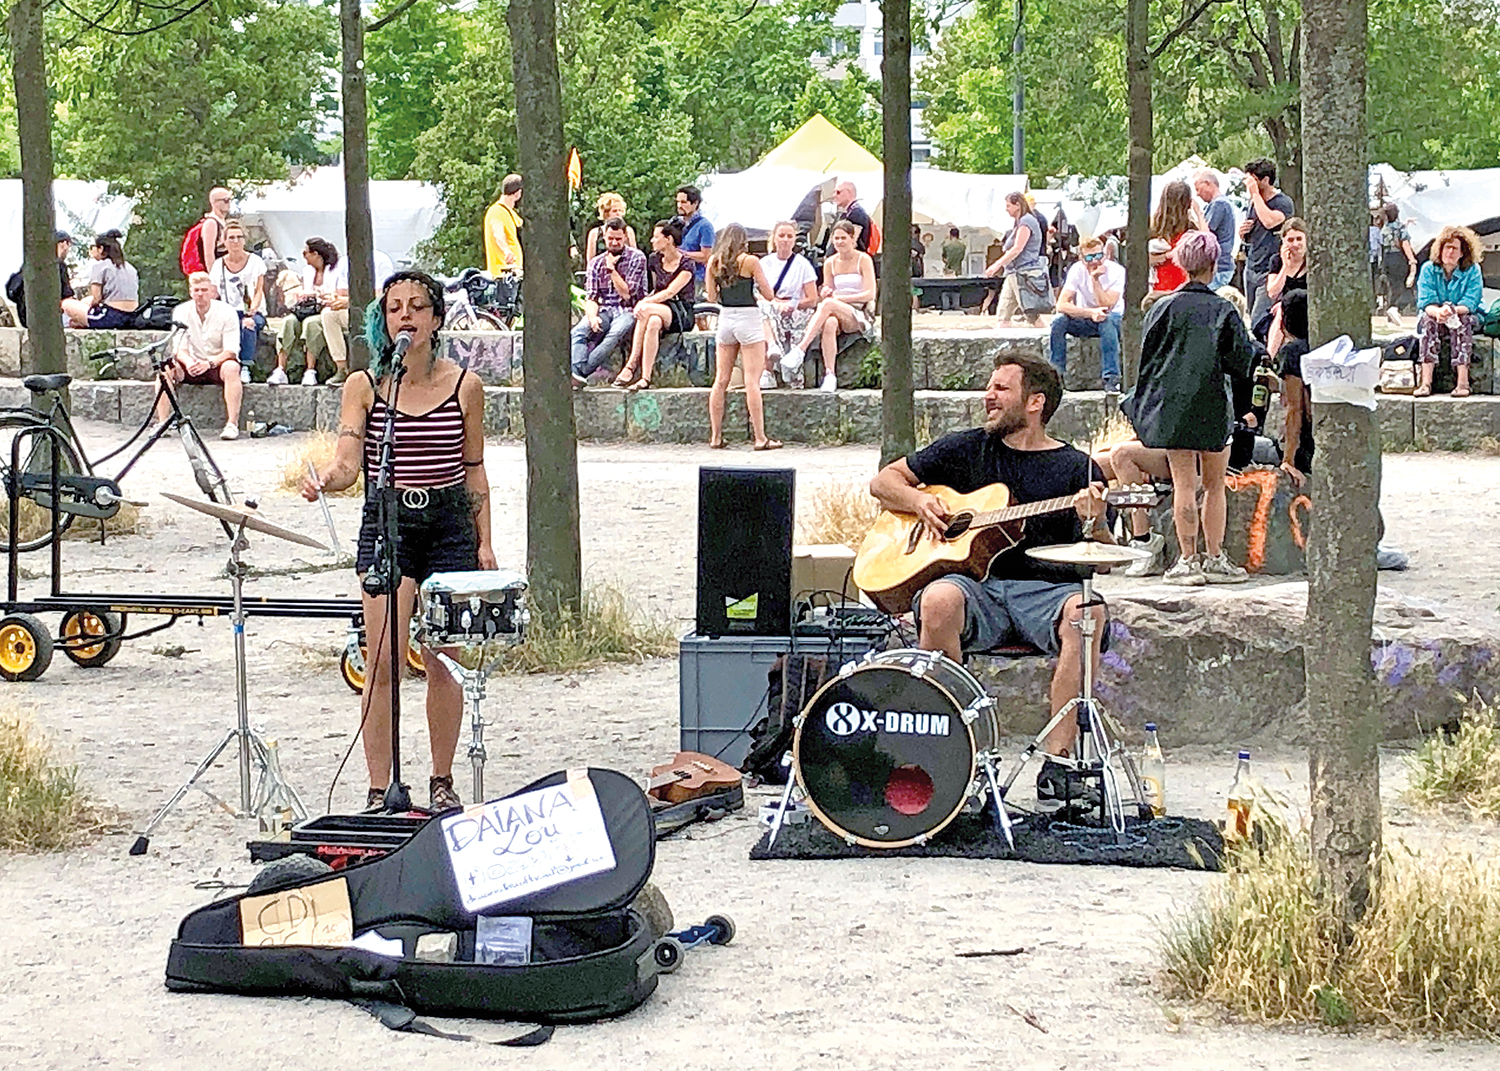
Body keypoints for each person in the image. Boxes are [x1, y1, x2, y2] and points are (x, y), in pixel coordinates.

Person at [868, 352, 1114, 809]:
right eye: (990, 386)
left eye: (1002, 388)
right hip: (976, 589)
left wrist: (1094, 520)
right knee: (938, 600)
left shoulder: (1077, 470)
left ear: (1035, 402)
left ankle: (1058, 765)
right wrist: (918, 503)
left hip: (1047, 593)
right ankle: (954, 753)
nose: (988, 395)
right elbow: (883, 483)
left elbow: (1101, 559)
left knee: (1088, 613)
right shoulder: (966, 448)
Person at [301, 270, 493, 813]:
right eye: (393, 308)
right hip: (388, 519)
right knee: (382, 658)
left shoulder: (465, 386)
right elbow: (348, 460)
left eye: (416, 306)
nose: (404, 315)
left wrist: (485, 541)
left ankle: (441, 779)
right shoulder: (366, 386)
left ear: (435, 318)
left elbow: (474, 470)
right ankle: (379, 786)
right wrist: (325, 479)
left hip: (448, 521)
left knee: (443, 658)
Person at [1126, 231, 1254, 586]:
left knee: (1184, 483)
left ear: (1181, 264)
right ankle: (1215, 557)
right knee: (1214, 485)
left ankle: (1186, 560)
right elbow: (1241, 361)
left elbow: (1147, 361)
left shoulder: (1162, 307)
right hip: (1213, 404)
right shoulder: (1224, 309)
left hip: (1172, 406)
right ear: (1213, 265)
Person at [705, 224, 780, 451]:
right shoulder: (750, 262)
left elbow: (711, 296)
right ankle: (760, 438)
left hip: (726, 318)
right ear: (743, 241)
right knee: (752, 381)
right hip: (748, 317)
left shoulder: (714, 262)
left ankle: (716, 436)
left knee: (721, 380)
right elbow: (769, 294)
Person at [778, 219, 876, 392]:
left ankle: (800, 349)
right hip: (836, 310)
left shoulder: (863, 260)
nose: (839, 242)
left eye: (843, 238)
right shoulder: (830, 262)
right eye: (836, 238)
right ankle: (830, 374)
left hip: (859, 311)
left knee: (828, 304)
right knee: (829, 323)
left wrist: (839, 299)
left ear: (852, 239)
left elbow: (870, 293)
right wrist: (826, 293)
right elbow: (829, 290)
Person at [614, 219, 694, 391]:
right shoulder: (654, 260)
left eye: (656, 237)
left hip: (680, 310)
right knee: (653, 322)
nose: (652, 240)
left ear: (669, 239)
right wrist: (648, 301)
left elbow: (670, 292)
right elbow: (656, 288)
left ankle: (631, 364)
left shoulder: (686, 264)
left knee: (646, 309)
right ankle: (645, 378)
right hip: (659, 308)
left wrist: (644, 302)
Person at [161, 272, 243, 440]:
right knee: (164, 369)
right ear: (190, 291)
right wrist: (189, 362)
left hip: (217, 363)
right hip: (190, 364)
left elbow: (231, 350)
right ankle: (162, 423)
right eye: (196, 290)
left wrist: (209, 363)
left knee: (232, 367)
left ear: (212, 291)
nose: (200, 294)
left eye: (204, 290)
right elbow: (178, 347)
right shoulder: (181, 311)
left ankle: (232, 424)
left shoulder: (227, 312)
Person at [569, 218, 647, 385]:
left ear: (625, 237)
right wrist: (592, 316)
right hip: (604, 309)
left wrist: (612, 270)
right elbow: (592, 297)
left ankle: (580, 373)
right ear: (604, 237)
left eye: (618, 239)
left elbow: (627, 294)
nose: (614, 242)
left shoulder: (637, 258)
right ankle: (577, 372)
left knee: (614, 334)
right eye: (610, 238)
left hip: (628, 309)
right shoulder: (596, 263)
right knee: (579, 331)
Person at [1414, 224, 1485, 398]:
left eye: (1455, 249)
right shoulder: (1428, 269)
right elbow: (1425, 302)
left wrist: (1453, 310)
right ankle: (1425, 383)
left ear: (1462, 253)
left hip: (1465, 314)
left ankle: (1463, 383)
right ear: (1440, 249)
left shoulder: (1472, 270)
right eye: (1447, 247)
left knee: (1462, 323)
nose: (1450, 252)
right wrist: (1438, 312)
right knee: (1428, 322)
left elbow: (1471, 302)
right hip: (1436, 315)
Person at [1049, 235, 1124, 392]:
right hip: (1087, 317)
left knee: (1106, 321)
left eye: (1098, 256)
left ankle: (1111, 377)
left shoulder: (1117, 271)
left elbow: (1106, 306)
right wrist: (1089, 313)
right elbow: (1061, 305)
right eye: (1089, 257)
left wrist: (1095, 279)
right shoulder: (1076, 270)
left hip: (1113, 318)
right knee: (1058, 321)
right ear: (1082, 259)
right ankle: (1056, 374)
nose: (1095, 261)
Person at [272, 237, 350, 386]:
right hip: (308, 308)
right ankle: (280, 368)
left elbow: (337, 294)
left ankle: (310, 370)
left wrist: (317, 295)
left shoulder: (335, 269)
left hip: (324, 308)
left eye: (305, 253)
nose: (303, 256)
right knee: (288, 322)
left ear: (315, 254)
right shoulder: (307, 271)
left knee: (311, 325)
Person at [757, 220, 819, 388]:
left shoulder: (802, 265)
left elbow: (813, 298)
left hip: (795, 309)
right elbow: (757, 293)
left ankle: (786, 367)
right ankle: (768, 363)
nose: (785, 240)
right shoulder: (764, 264)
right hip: (771, 306)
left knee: (768, 313)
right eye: (781, 235)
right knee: (763, 310)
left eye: (789, 236)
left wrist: (793, 304)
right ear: (774, 238)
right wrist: (776, 304)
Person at [207, 221, 267, 383]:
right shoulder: (219, 265)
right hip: (228, 310)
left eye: (239, 237)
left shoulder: (255, 262)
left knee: (247, 325)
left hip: (252, 310)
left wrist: (252, 310)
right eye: (231, 238)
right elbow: (213, 291)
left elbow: (259, 290)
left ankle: (245, 366)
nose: (236, 241)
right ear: (224, 241)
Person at [1238, 159, 1294, 330]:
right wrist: (1243, 234)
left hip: (1269, 269)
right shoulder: (1253, 203)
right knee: (1250, 313)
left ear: (1265, 180)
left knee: (1259, 318)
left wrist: (1255, 194)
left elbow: (1270, 221)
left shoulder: (1283, 202)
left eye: (1253, 180)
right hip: (1252, 264)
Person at [982, 191, 1045, 327]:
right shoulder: (1021, 222)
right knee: (1003, 314)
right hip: (1014, 273)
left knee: (1032, 315)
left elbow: (1017, 248)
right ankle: (1002, 339)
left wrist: (997, 264)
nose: (1006, 209)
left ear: (1018, 205)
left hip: (1024, 272)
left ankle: (1048, 338)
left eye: (1008, 205)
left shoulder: (1026, 221)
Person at [62, 230, 138, 329]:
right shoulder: (130, 268)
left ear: (101, 249)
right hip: (132, 316)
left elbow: (97, 299)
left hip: (112, 316)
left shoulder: (100, 266)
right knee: (86, 301)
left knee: (66, 303)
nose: (91, 250)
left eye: (93, 247)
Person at [1147, 180, 1207, 297]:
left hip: (1160, 286)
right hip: (1184, 286)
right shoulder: (1189, 227)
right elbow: (1207, 242)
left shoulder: (1154, 225)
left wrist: (1164, 256)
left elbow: (1142, 258)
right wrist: (1199, 213)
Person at [6, 230, 73, 329]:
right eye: (69, 245)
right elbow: (66, 295)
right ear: (63, 243)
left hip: (25, 317)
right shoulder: (58, 266)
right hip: (47, 319)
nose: (68, 250)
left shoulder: (30, 264)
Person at [1258, 217, 1308, 347]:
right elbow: (1272, 293)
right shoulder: (1277, 261)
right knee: (1280, 312)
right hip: (1286, 307)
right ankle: (1271, 358)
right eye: (1290, 240)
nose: (1295, 244)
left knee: (1281, 311)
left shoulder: (1312, 260)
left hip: (1305, 304)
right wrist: (1285, 267)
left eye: (1299, 239)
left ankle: (1271, 356)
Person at [1192, 170, 1237, 291]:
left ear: (1207, 183)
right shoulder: (1219, 204)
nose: (1197, 194)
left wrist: (1197, 212)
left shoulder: (1219, 205)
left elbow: (1206, 235)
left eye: (1198, 189)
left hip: (1219, 267)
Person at [1378, 202, 1418, 323]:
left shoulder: (1384, 229)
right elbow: (1404, 243)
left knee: (1392, 284)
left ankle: (1391, 312)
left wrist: (1406, 223)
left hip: (1387, 258)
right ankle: (1394, 307)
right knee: (1401, 285)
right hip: (1398, 258)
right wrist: (1412, 260)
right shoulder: (1400, 228)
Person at [181, 187, 231, 277]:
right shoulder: (211, 223)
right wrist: (214, 278)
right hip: (211, 276)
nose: (228, 203)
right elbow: (209, 254)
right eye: (225, 200)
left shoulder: (222, 222)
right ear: (214, 203)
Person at [674, 185, 715, 286]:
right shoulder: (675, 223)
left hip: (696, 279)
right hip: (676, 277)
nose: (679, 206)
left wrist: (681, 253)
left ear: (695, 203)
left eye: (683, 202)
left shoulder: (704, 226)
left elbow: (706, 256)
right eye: (678, 202)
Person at [483, 174, 524, 275]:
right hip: (502, 275)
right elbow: (497, 233)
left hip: (514, 273)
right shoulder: (496, 211)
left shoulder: (511, 213)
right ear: (517, 194)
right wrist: (507, 251)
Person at [583, 192, 638, 260]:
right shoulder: (595, 233)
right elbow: (590, 260)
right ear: (606, 213)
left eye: (620, 210)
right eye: (614, 211)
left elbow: (634, 256)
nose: (618, 214)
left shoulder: (628, 231)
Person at [824, 181, 874, 254]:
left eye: (838, 192)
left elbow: (852, 243)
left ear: (849, 193)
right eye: (834, 192)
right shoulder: (850, 212)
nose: (834, 195)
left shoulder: (856, 213)